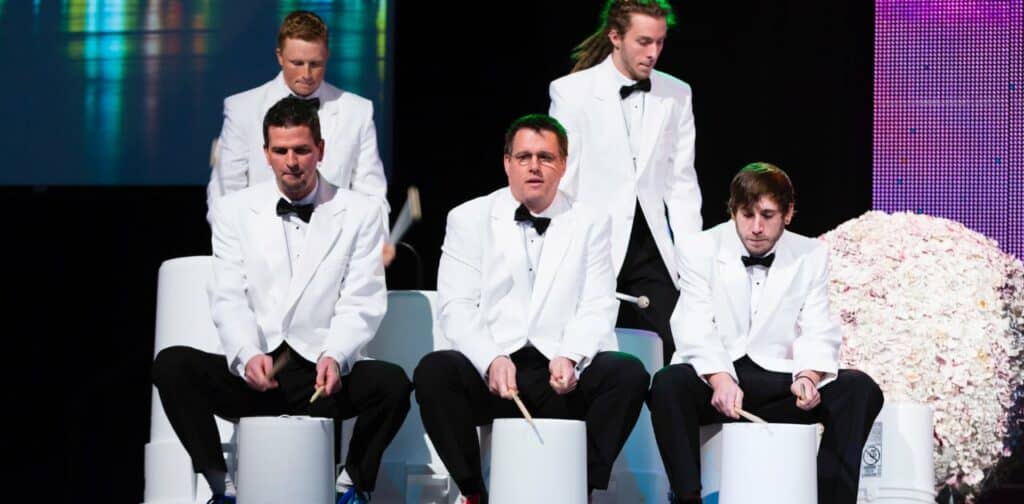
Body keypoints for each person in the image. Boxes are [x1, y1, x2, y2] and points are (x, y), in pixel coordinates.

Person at [154, 96, 411, 504]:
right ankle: (223, 488)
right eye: (281, 151)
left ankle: (352, 486)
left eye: (302, 150)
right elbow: (228, 295)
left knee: (393, 383)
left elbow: (361, 298)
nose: (292, 161)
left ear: (320, 151)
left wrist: (336, 355)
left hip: (321, 376)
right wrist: (245, 354)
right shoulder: (234, 210)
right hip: (257, 375)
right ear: (266, 154)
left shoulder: (359, 211)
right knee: (172, 365)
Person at [414, 114, 650, 503]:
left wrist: (571, 356)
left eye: (545, 157)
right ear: (507, 162)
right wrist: (490, 358)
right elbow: (455, 306)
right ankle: (474, 492)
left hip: (560, 371)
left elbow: (598, 303)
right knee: (434, 372)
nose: (534, 166)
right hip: (495, 371)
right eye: (524, 157)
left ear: (564, 164)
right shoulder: (469, 218)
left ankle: (581, 485)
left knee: (627, 374)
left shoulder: (589, 221)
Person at [647, 163, 884, 504]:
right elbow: (693, 324)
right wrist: (719, 379)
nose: (756, 228)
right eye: (746, 215)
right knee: (668, 384)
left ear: (788, 213)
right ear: (733, 212)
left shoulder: (811, 254)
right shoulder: (699, 248)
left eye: (768, 215)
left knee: (858, 388)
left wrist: (808, 376)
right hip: (718, 376)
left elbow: (817, 325)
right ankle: (687, 498)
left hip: (779, 380)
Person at [549, 0, 702, 365]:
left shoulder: (676, 94)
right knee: (582, 351)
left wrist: (694, 257)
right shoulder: (571, 92)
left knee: (675, 347)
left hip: (650, 246)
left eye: (660, 43)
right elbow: (565, 179)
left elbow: (681, 183)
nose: (653, 53)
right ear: (616, 37)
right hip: (594, 240)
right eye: (644, 42)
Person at [207, 10, 394, 264]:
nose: (306, 73)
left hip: (335, 255)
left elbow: (371, 194)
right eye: (297, 63)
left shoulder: (357, 112)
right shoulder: (243, 109)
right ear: (280, 57)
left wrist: (375, 243)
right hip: (261, 257)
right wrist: (237, 252)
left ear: (327, 56)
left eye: (315, 64)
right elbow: (224, 195)